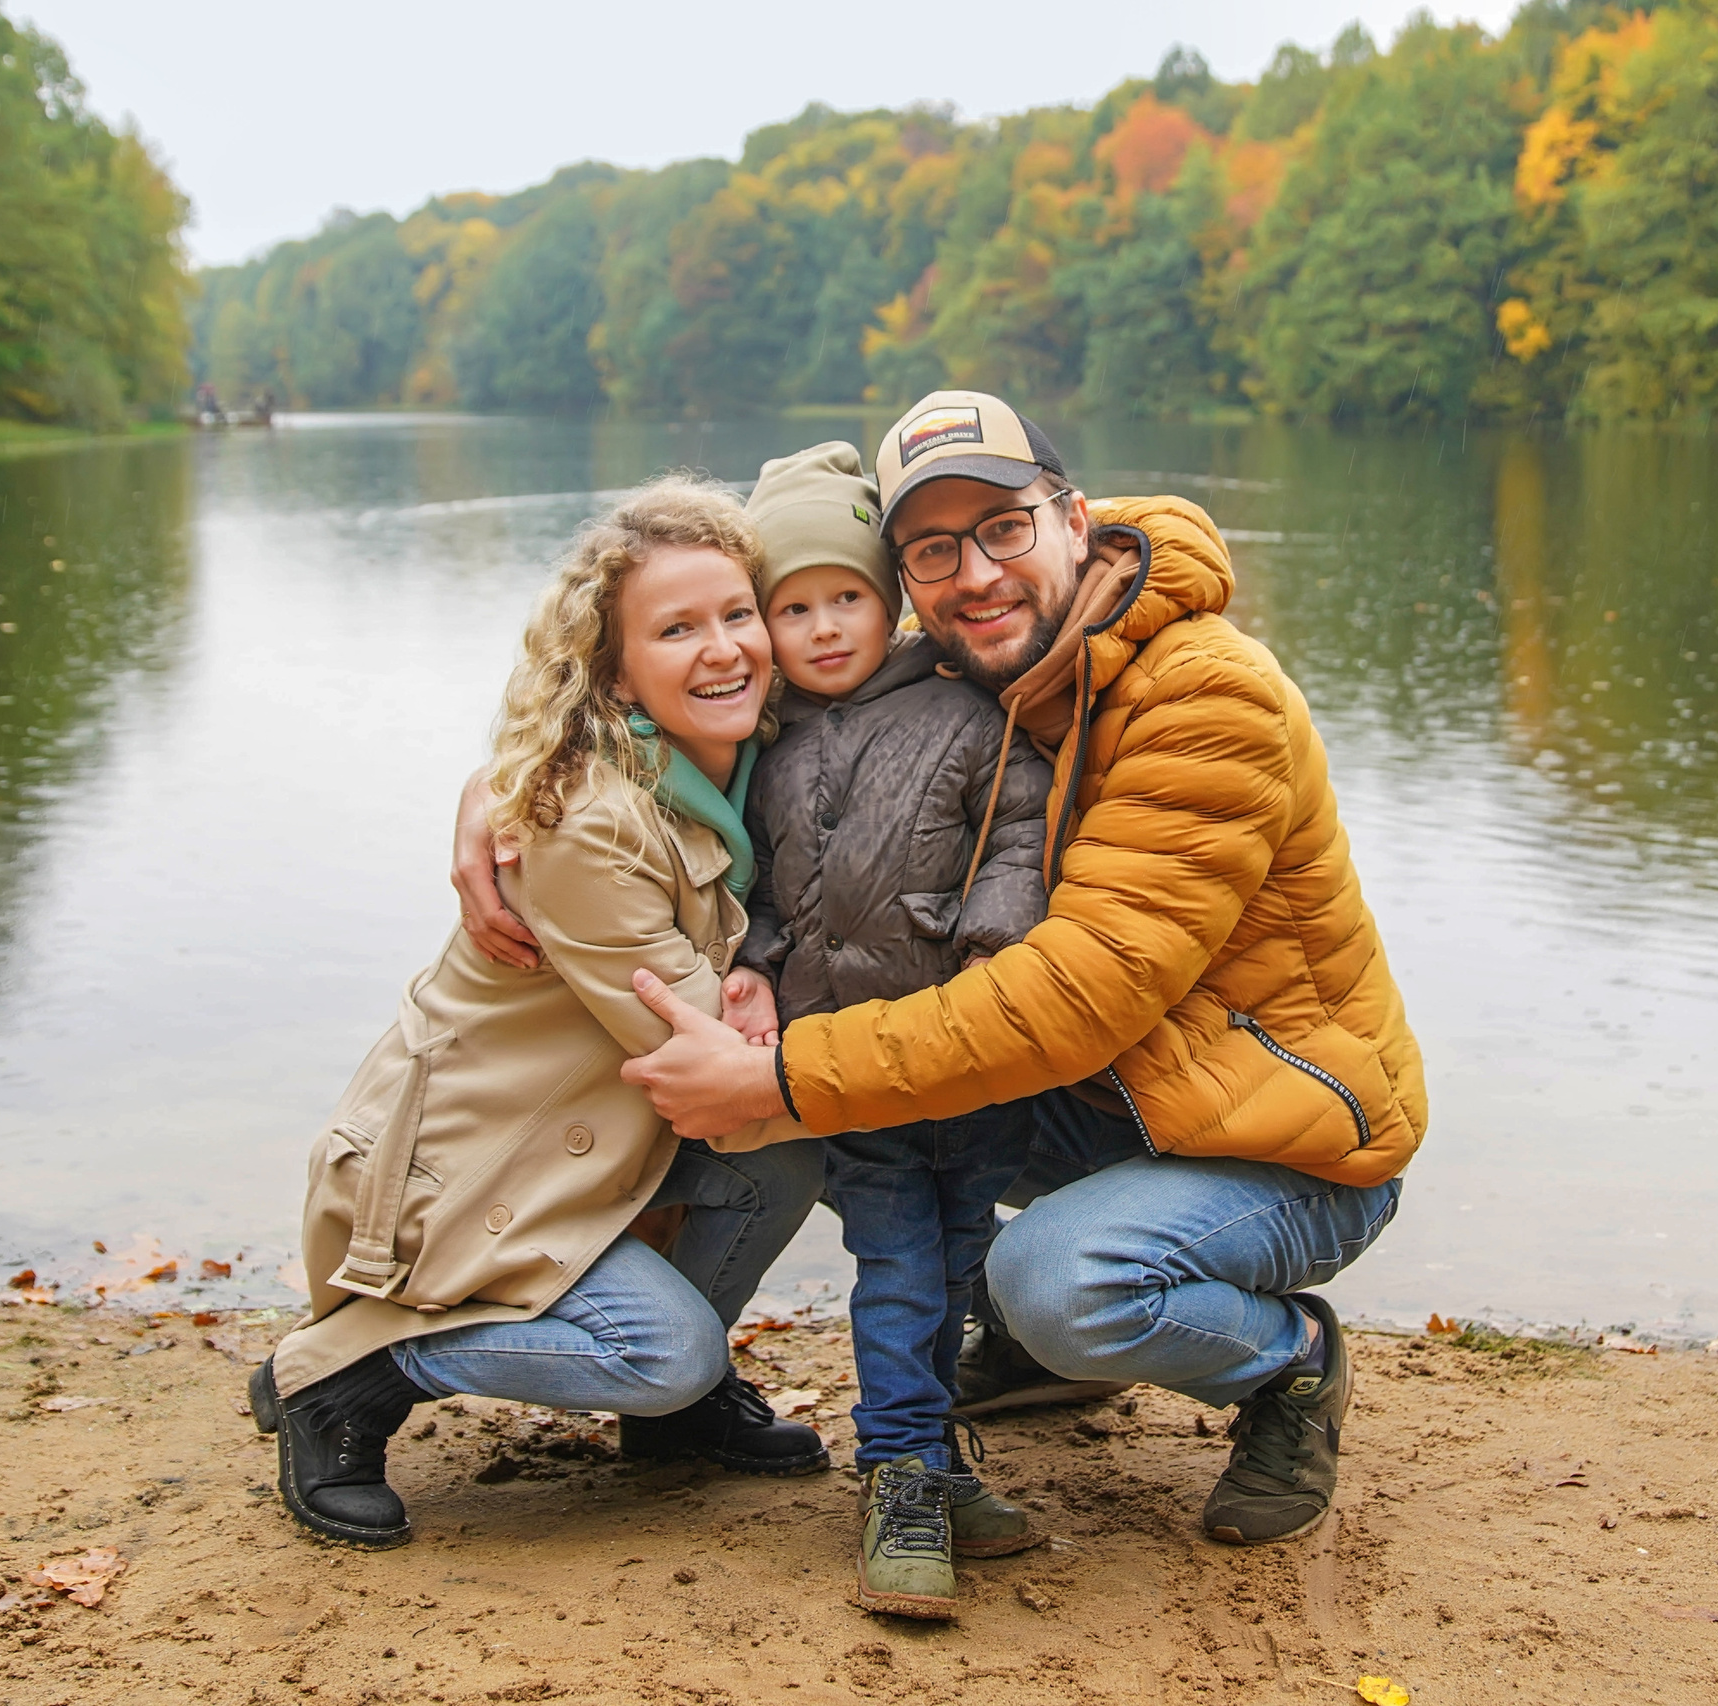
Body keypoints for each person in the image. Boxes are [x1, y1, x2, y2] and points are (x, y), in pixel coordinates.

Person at [511, 389, 1429, 1550]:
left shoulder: (1207, 695)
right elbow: (701, 692)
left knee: (1058, 1275)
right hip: (1120, 1103)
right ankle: (1019, 1343)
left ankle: (1283, 1360)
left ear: (1074, 520)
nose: (976, 572)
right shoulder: (977, 663)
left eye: (1003, 527)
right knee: (858, 1127)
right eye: (932, 550)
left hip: (1290, 1136)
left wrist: (783, 1071)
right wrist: (507, 810)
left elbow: (1074, 996)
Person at [252, 478, 826, 1549]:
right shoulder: (577, 820)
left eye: (738, 613)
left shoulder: (735, 763)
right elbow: (704, 1061)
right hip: (466, 1178)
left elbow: (855, 537)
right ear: (614, 670)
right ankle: (348, 1375)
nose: (725, 649)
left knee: (787, 1164)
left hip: (579, 1151)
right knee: (666, 1350)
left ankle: (670, 1425)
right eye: (677, 629)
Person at [726, 442, 1055, 1619]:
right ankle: (899, 1471)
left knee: (962, 1250)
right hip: (844, 1060)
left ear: (888, 597)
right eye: (793, 607)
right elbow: (748, 887)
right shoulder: (762, 740)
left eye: (846, 599)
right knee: (898, 1263)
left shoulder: (966, 707)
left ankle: (936, 1450)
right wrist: (757, 965)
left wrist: (991, 948)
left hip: (967, 1050)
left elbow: (1019, 833)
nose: (822, 628)